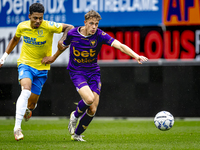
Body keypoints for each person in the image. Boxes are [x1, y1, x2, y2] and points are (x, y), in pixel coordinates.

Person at [42, 10, 148, 142]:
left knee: (92, 109)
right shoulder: (72, 33)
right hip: (77, 72)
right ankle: (74, 116)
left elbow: (120, 46)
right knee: (89, 99)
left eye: (96, 24)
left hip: (93, 72)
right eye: (91, 23)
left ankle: (77, 135)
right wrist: (53, 57)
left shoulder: (100, 35)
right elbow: (62, 47)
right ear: (85, 22)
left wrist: (136, 56)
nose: (94, 27)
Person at [0, 3, 74, 141]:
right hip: (25, 64)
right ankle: (17, 129)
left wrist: (63, 39)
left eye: (40, 18)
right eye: (35, 18)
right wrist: (4, 57)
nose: (38, 21)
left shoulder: (49, 25)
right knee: (25, 90)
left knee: (31, 104)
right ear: (29, 16)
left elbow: (70, 27)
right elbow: (15, 39)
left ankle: (28, 109)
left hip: (42, 68)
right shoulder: (22, 26)